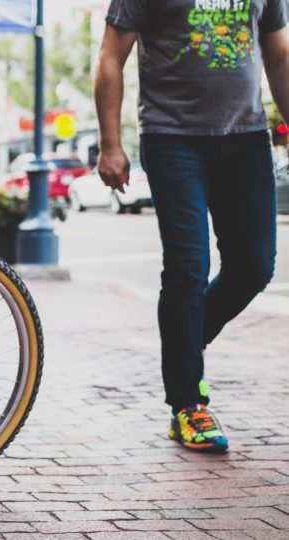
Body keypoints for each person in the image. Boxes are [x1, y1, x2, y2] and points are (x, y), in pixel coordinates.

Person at [94, 0, 289, 452]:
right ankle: (188, 403)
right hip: (172, 139)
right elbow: (109, 56)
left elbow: (278, 55)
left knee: (254, 267)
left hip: (246, 139)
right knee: (187, 266)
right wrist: (110, 144)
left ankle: (182, 345)